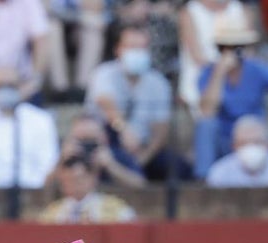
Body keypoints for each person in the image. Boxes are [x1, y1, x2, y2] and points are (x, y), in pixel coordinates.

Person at [193, 19, 268, 179]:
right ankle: (202, 181)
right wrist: (219, 74)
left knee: (256, 134)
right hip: (226, 140)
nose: (234, 52)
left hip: (255, 138)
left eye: (238, 47)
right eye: (227, 48)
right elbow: (207, 110)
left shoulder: (257, 69)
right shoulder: (209, 73)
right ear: (219, 49)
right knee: (206, 125)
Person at [85, 25, 188, 183]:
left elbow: (160, 130)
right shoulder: (104, 73)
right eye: (132, 47)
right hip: (110, 145)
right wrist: (123, 128)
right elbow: (106, 103)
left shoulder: (158, 83)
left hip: (143, 149)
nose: (137, 53)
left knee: (178, 167)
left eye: (142, 48)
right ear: (118, 49)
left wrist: (143, 158)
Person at [177, 0, 252, 113]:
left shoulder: (240, 9)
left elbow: (248, 51)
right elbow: (197, 57)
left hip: (236, 85)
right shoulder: (189, 12)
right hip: (198, 89)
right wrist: (222, 68)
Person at [37, 151, 137, 223]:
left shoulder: (115, 209)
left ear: (92, 178)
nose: (73, 184)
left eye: (78, 179)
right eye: (67, 180)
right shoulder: (52, 213)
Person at [205, 114, 268, 186]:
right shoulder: (219, 173)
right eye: (244, 143)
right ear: (234, 146)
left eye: (257, 142)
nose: (250, 147)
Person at [56, 113, 146, 188]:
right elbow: (45, 186)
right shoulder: (67, 157)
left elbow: (141, 185)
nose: (86, 146)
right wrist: (62, 162)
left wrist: (111, 166)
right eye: (81, 140)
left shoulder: (116, 155)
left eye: (91, 140)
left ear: (104, 138)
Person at [45, 0, 107, 103]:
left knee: (94, 23)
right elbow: (42, 8)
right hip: (54, 23)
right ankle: (60, 89)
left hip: (78, 27)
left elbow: (96, 5)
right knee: (51, 27)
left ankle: (82, 89)